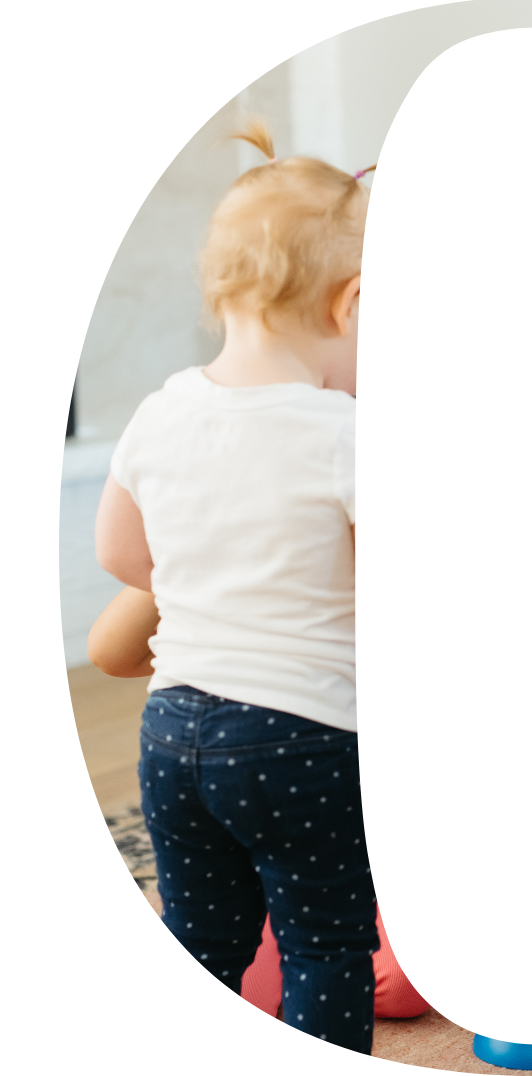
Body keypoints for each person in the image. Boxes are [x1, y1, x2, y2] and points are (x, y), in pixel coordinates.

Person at [94, 116, 379, 1069]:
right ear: (348, 306)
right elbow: (399, 590)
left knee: (202, 940)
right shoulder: (346, 435)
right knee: (325, 946)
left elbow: (126, 558)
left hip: (171, 733)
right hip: (299, 740)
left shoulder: (159, 411)